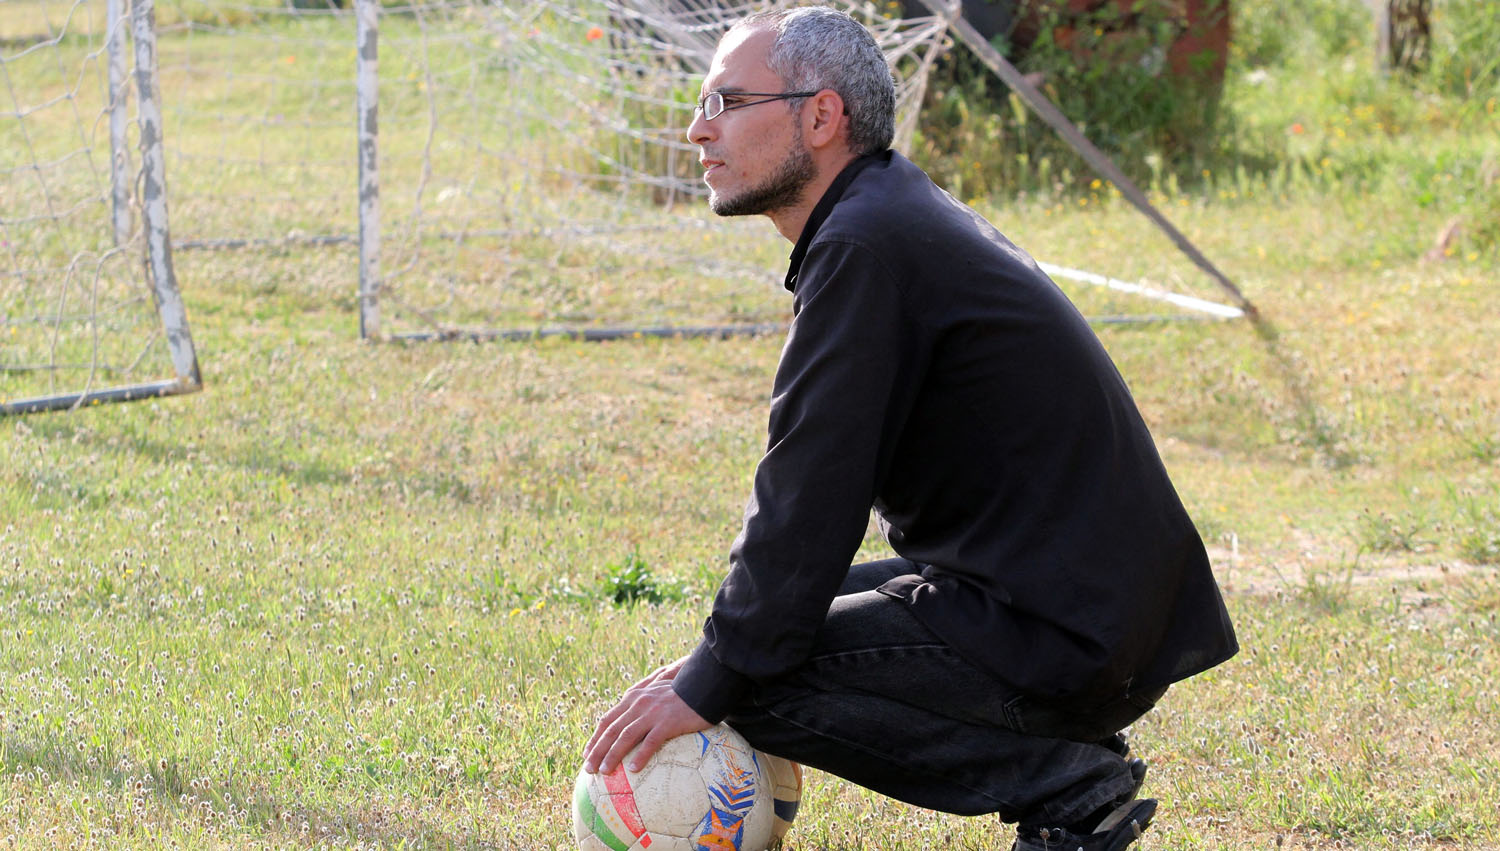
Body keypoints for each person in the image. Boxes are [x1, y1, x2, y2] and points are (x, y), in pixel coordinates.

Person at [582, 7, 1237, 850]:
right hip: (1077, 607)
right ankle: (1061, 751)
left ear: (822, 116)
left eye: (726, 102)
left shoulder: (866, 244)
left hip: (1065, 628)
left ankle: (1067, 784)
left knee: (753, 671)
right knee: (752, 642)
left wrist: (718, 673)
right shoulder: (882, 214)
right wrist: (724, 652)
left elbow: (809, 495)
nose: (697, 129)